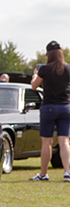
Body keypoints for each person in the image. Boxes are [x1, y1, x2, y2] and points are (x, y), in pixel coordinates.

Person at [29, 40, 70, 182]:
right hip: (65, 107)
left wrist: (35, 75)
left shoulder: (44, 70)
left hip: (49, 107)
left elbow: (34, 86)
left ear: (48, 54)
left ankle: (43, 174)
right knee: (64, 141)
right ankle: (67, 172)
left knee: (47, 142)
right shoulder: (68, 68)